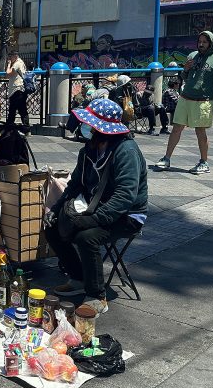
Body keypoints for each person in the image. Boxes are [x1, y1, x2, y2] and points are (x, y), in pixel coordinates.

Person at [45, 98, 148, 315]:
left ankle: (97, 295)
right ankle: (78, 278)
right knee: (51, 229)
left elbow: (125, 195)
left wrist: (95, 219)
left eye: (91, 125)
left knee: (87, 237)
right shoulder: (88, 150)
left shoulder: (126, 150)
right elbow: (75, 186)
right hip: (94, 207)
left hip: (127, 215)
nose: (87, 128)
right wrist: (55, 209)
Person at [156, 30, 213, 174]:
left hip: (203, 100)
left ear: (211, 43)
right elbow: (185, 77)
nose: (201, 44)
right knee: (176, 128)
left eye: (204, 42)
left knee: (200, 131)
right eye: (199, 42)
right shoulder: (192, 56)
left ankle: (204, 162)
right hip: (186, 98)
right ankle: (166, 158)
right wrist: (185, 69)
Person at [5, 50, 31, 129]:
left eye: (11, 56)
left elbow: (7, 74)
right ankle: (26, 127)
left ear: (15, 56)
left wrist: (9, 64)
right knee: (22, 109)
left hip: (16, 90)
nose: (9, 58)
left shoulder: (17, 64)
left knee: (13, 109)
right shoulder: (21, 63)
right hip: (20, 90)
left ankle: (9, 126)